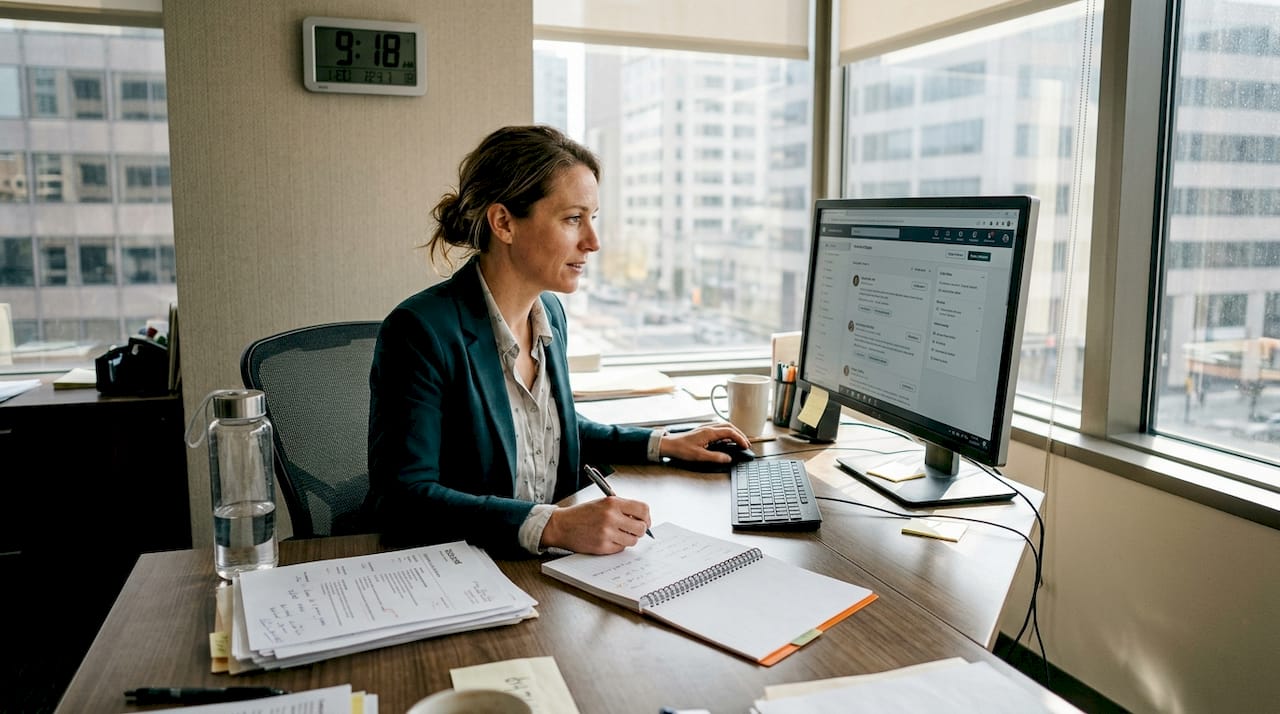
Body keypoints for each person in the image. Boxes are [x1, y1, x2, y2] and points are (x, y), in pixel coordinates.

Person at [366, 125, 750, 558]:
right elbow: (402, 498)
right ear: (504, 223)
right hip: (471, 565)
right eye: (572, 219)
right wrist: (552, 525)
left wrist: (664, 443)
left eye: (593, 218)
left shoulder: (550, 313)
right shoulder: (420, 331)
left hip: (553, 565)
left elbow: (551, 428)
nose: (593, 242)